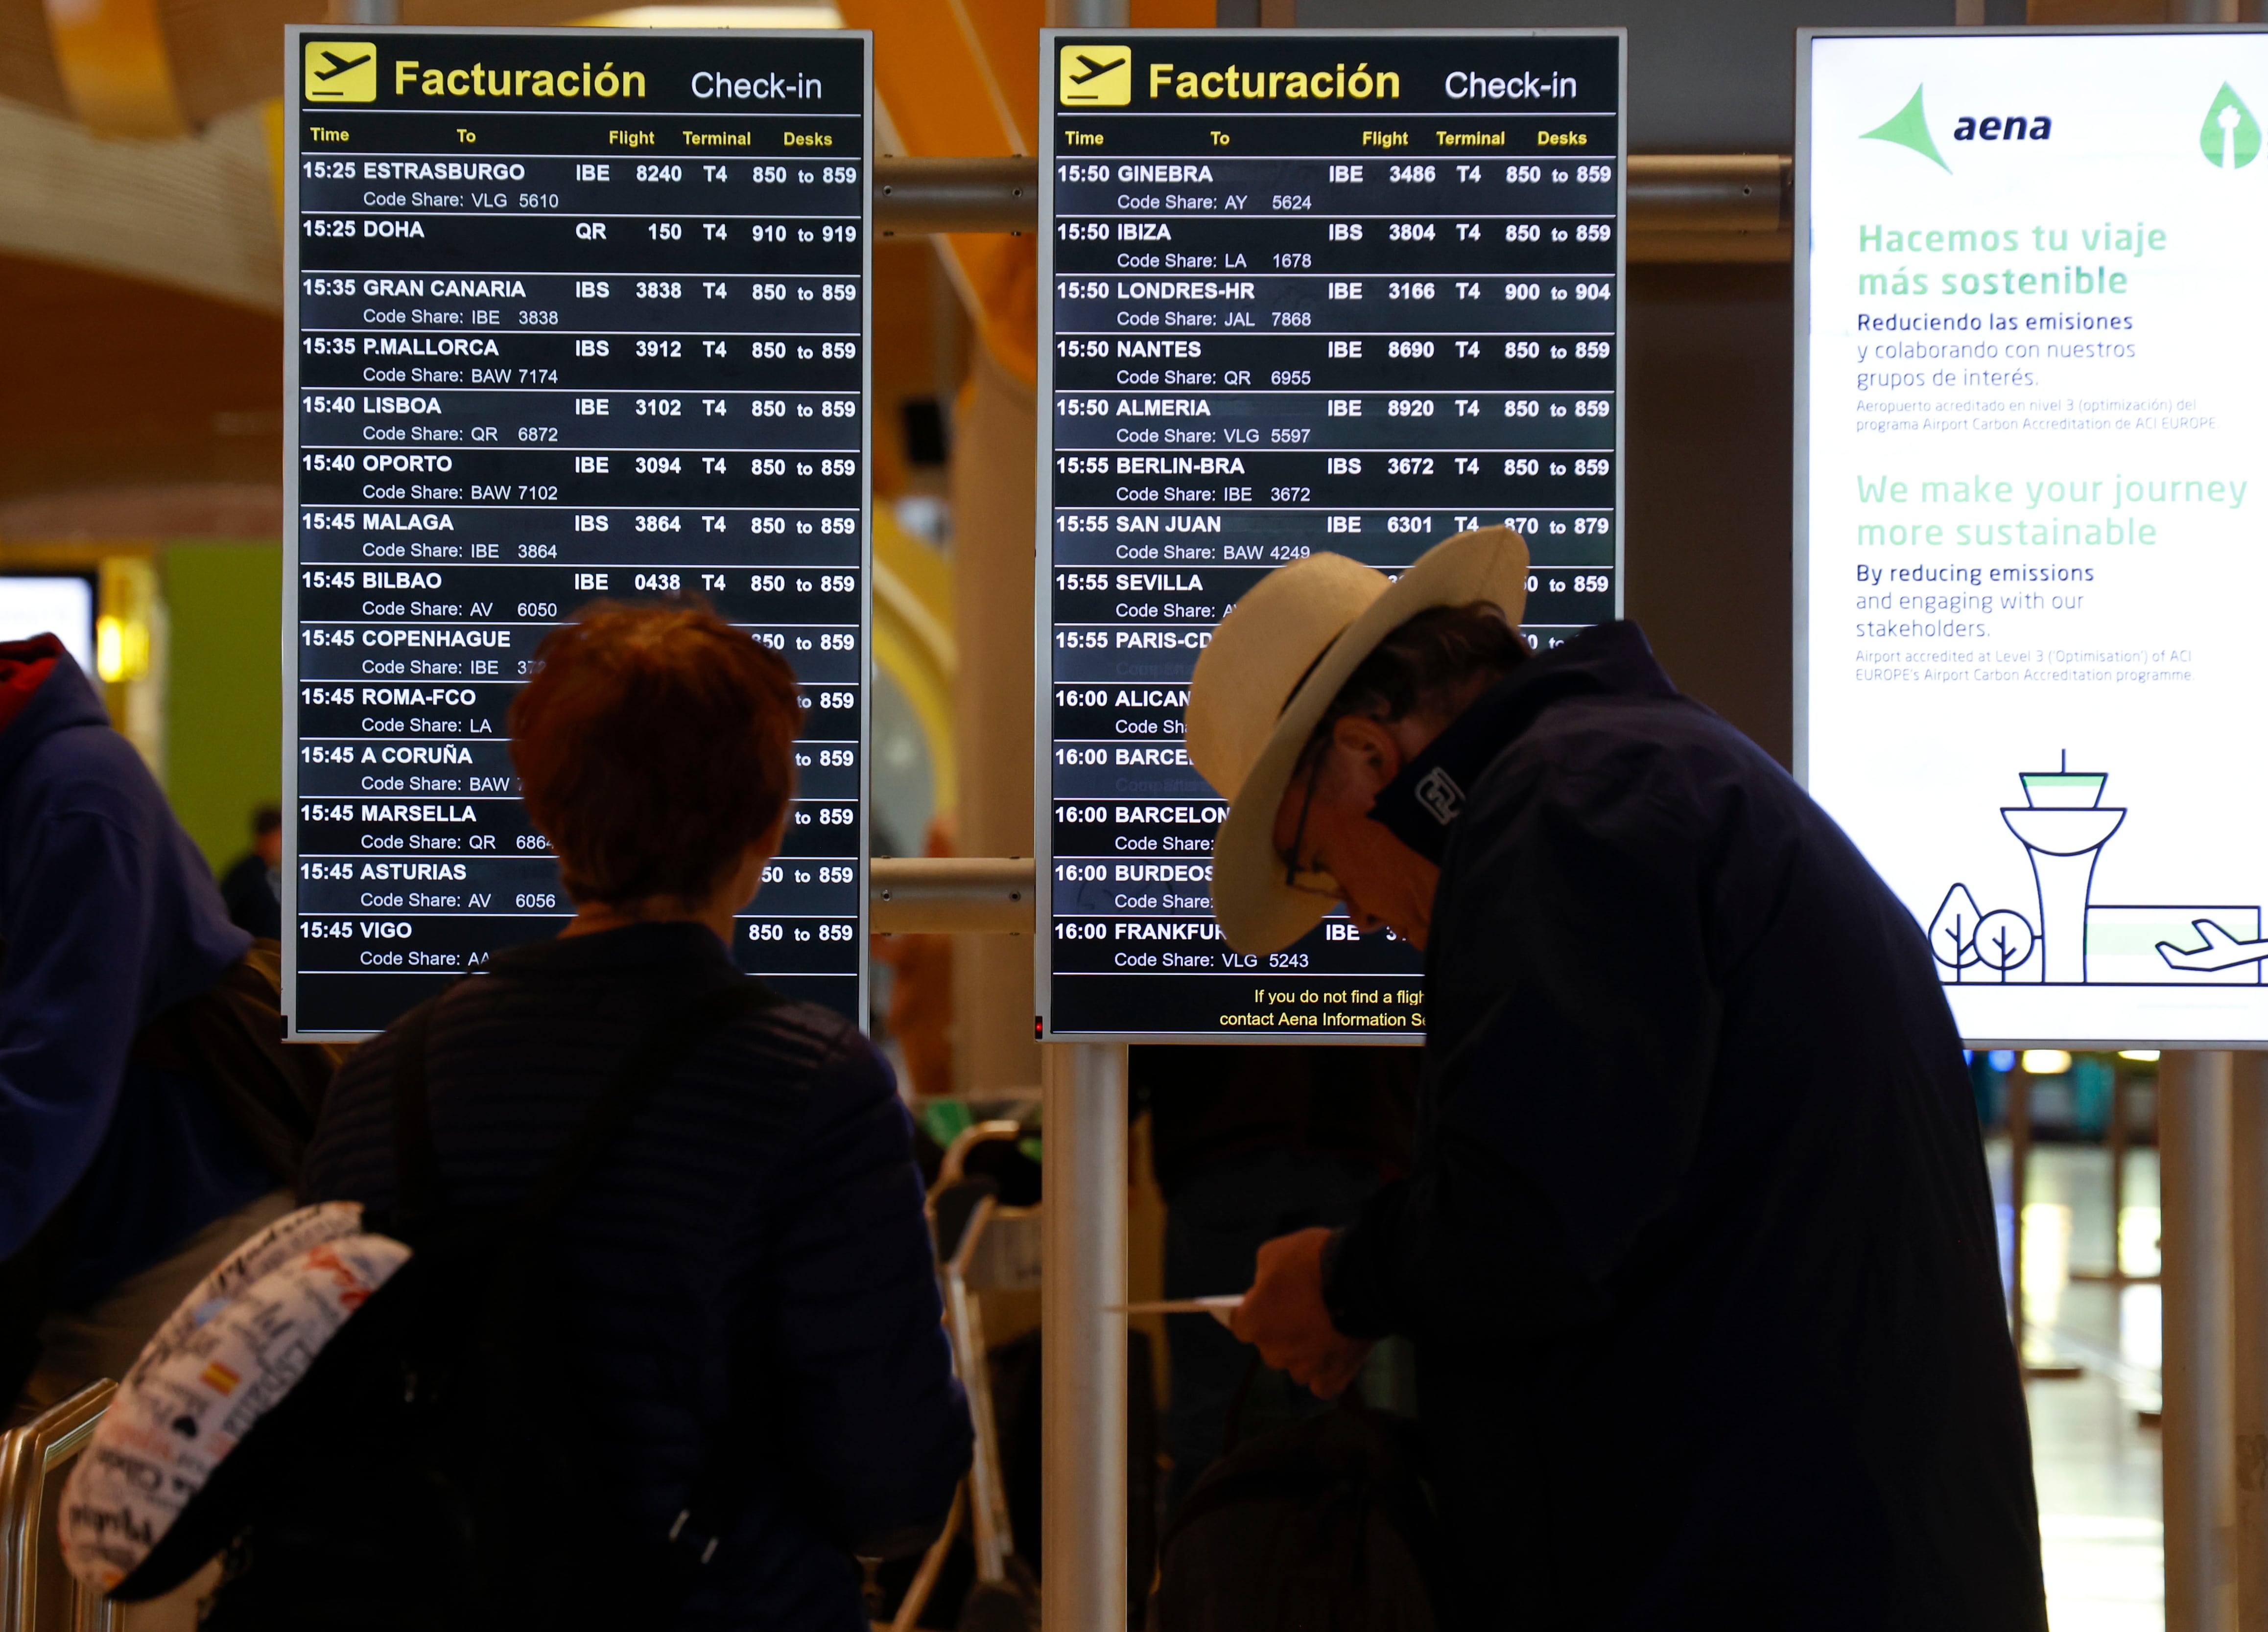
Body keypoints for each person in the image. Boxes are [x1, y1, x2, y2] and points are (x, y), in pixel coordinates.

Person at [1184, 530, 2047, 1630]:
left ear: (1365, 756)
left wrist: (1345, 1280)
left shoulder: (1563, 813)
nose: (1348, 910)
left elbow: (1535, 1215)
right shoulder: (1647, 772)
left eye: (1314, 859)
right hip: (1840, 1533)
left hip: (1763, 1564)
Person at [302, 603, 971, 1629]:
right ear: (770, 819)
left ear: (546, 806)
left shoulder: (381, 1081)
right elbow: (894, 1484)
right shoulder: (813, 1087)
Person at [0, 633, 290, 1416]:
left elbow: (50, 1081)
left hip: (172, 1241)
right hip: (76, 1246)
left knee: (84, 1524)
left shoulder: (80, 792)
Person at [1132, 1045, 1415, 1514]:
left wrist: (1113, 1108)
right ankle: (1345, 1575)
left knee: (1207, 1412)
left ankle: (1200, 1577)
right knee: (1337, 1408)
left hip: (1220, 1124)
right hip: (1356, 1126)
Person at [218, 801, 282, 940]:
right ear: (267, 837)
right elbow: (221, 913)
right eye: (280, 837)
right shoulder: (245, 875)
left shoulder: (272, 875)